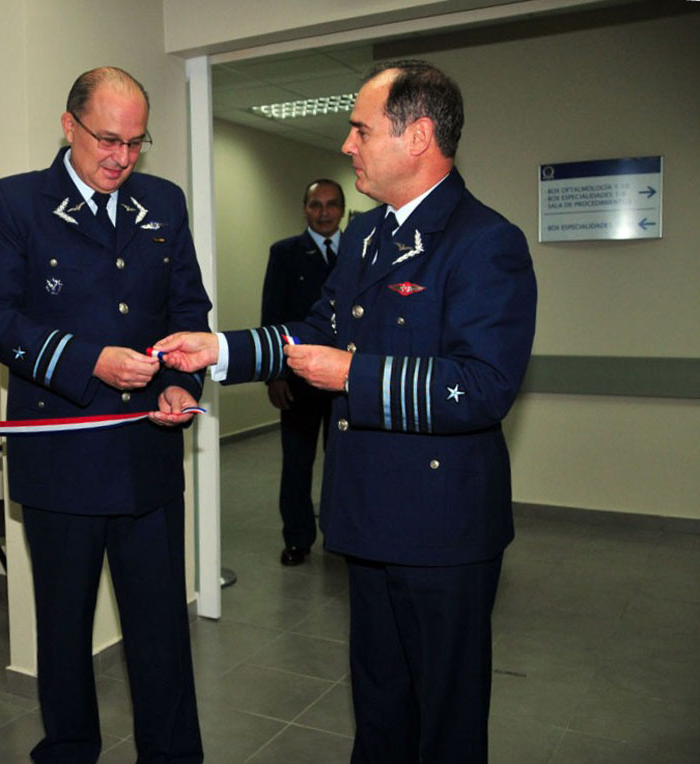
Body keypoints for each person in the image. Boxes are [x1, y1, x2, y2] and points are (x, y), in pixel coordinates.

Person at [153, 60, 536, 764]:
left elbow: (482, 387)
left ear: (417, 136)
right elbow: (313, 330)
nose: (348, 144)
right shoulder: (365, 238)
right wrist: (219, 349)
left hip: (444, 526)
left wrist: (356, 374)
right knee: (381, 702)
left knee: (445, 720)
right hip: (369, 515)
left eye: (361, 129)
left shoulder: (486, 242)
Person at [0, 66, 210, 763]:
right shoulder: (16, 204)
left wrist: (174, 380)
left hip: (148, 458)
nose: (121, 158)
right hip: (61, 459)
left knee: (161, 630)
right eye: (107, 139)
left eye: (136, 142)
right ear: (68, 125)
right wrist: (85, 361)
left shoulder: (163, 203)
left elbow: (187, 310)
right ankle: (70, 750)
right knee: (64, 631)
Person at [261, 179, 344, 565]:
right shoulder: (285, 254)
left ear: (342, 210)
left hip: (348, 379)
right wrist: (274, 375)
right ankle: (297, 538)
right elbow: (272, 317)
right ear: (305, 209)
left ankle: (343, 535)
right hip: (298, 380)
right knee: (297, 463)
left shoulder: (361, 252)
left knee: (345, 463)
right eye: (315, 205)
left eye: (330, 205)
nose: (323, 212)